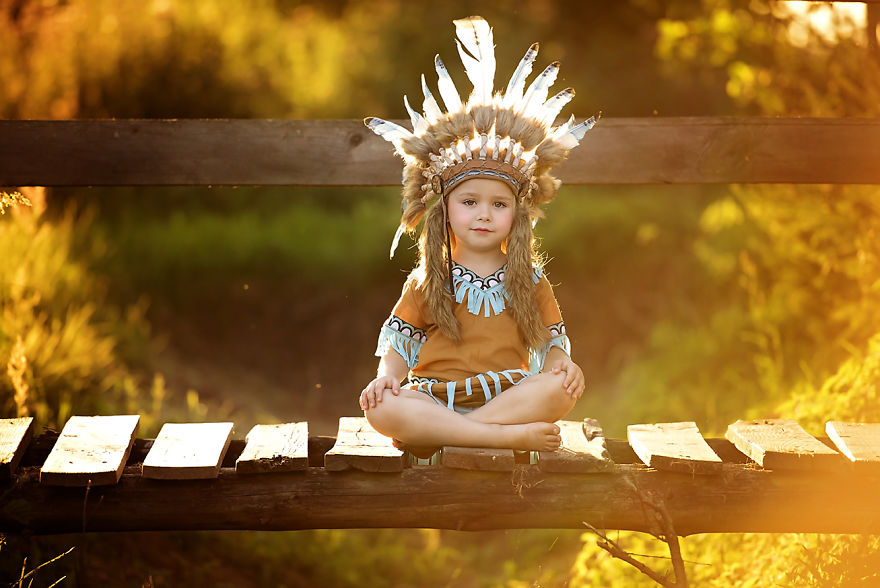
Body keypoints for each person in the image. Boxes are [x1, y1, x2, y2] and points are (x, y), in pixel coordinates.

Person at [360, 16, 598, 453]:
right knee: (381, 408)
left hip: (508, 398)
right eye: (469, 202)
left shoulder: (529, 280)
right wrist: (386, 378)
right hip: (435, 398)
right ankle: (495, 438)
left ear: (517, 214)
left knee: (559, 389)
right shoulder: (428, 280)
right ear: (445, 210)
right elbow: (398, 348)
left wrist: (565, 364)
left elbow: (551, 344)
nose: (484, 215)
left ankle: (453, 436)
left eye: (499, 205)